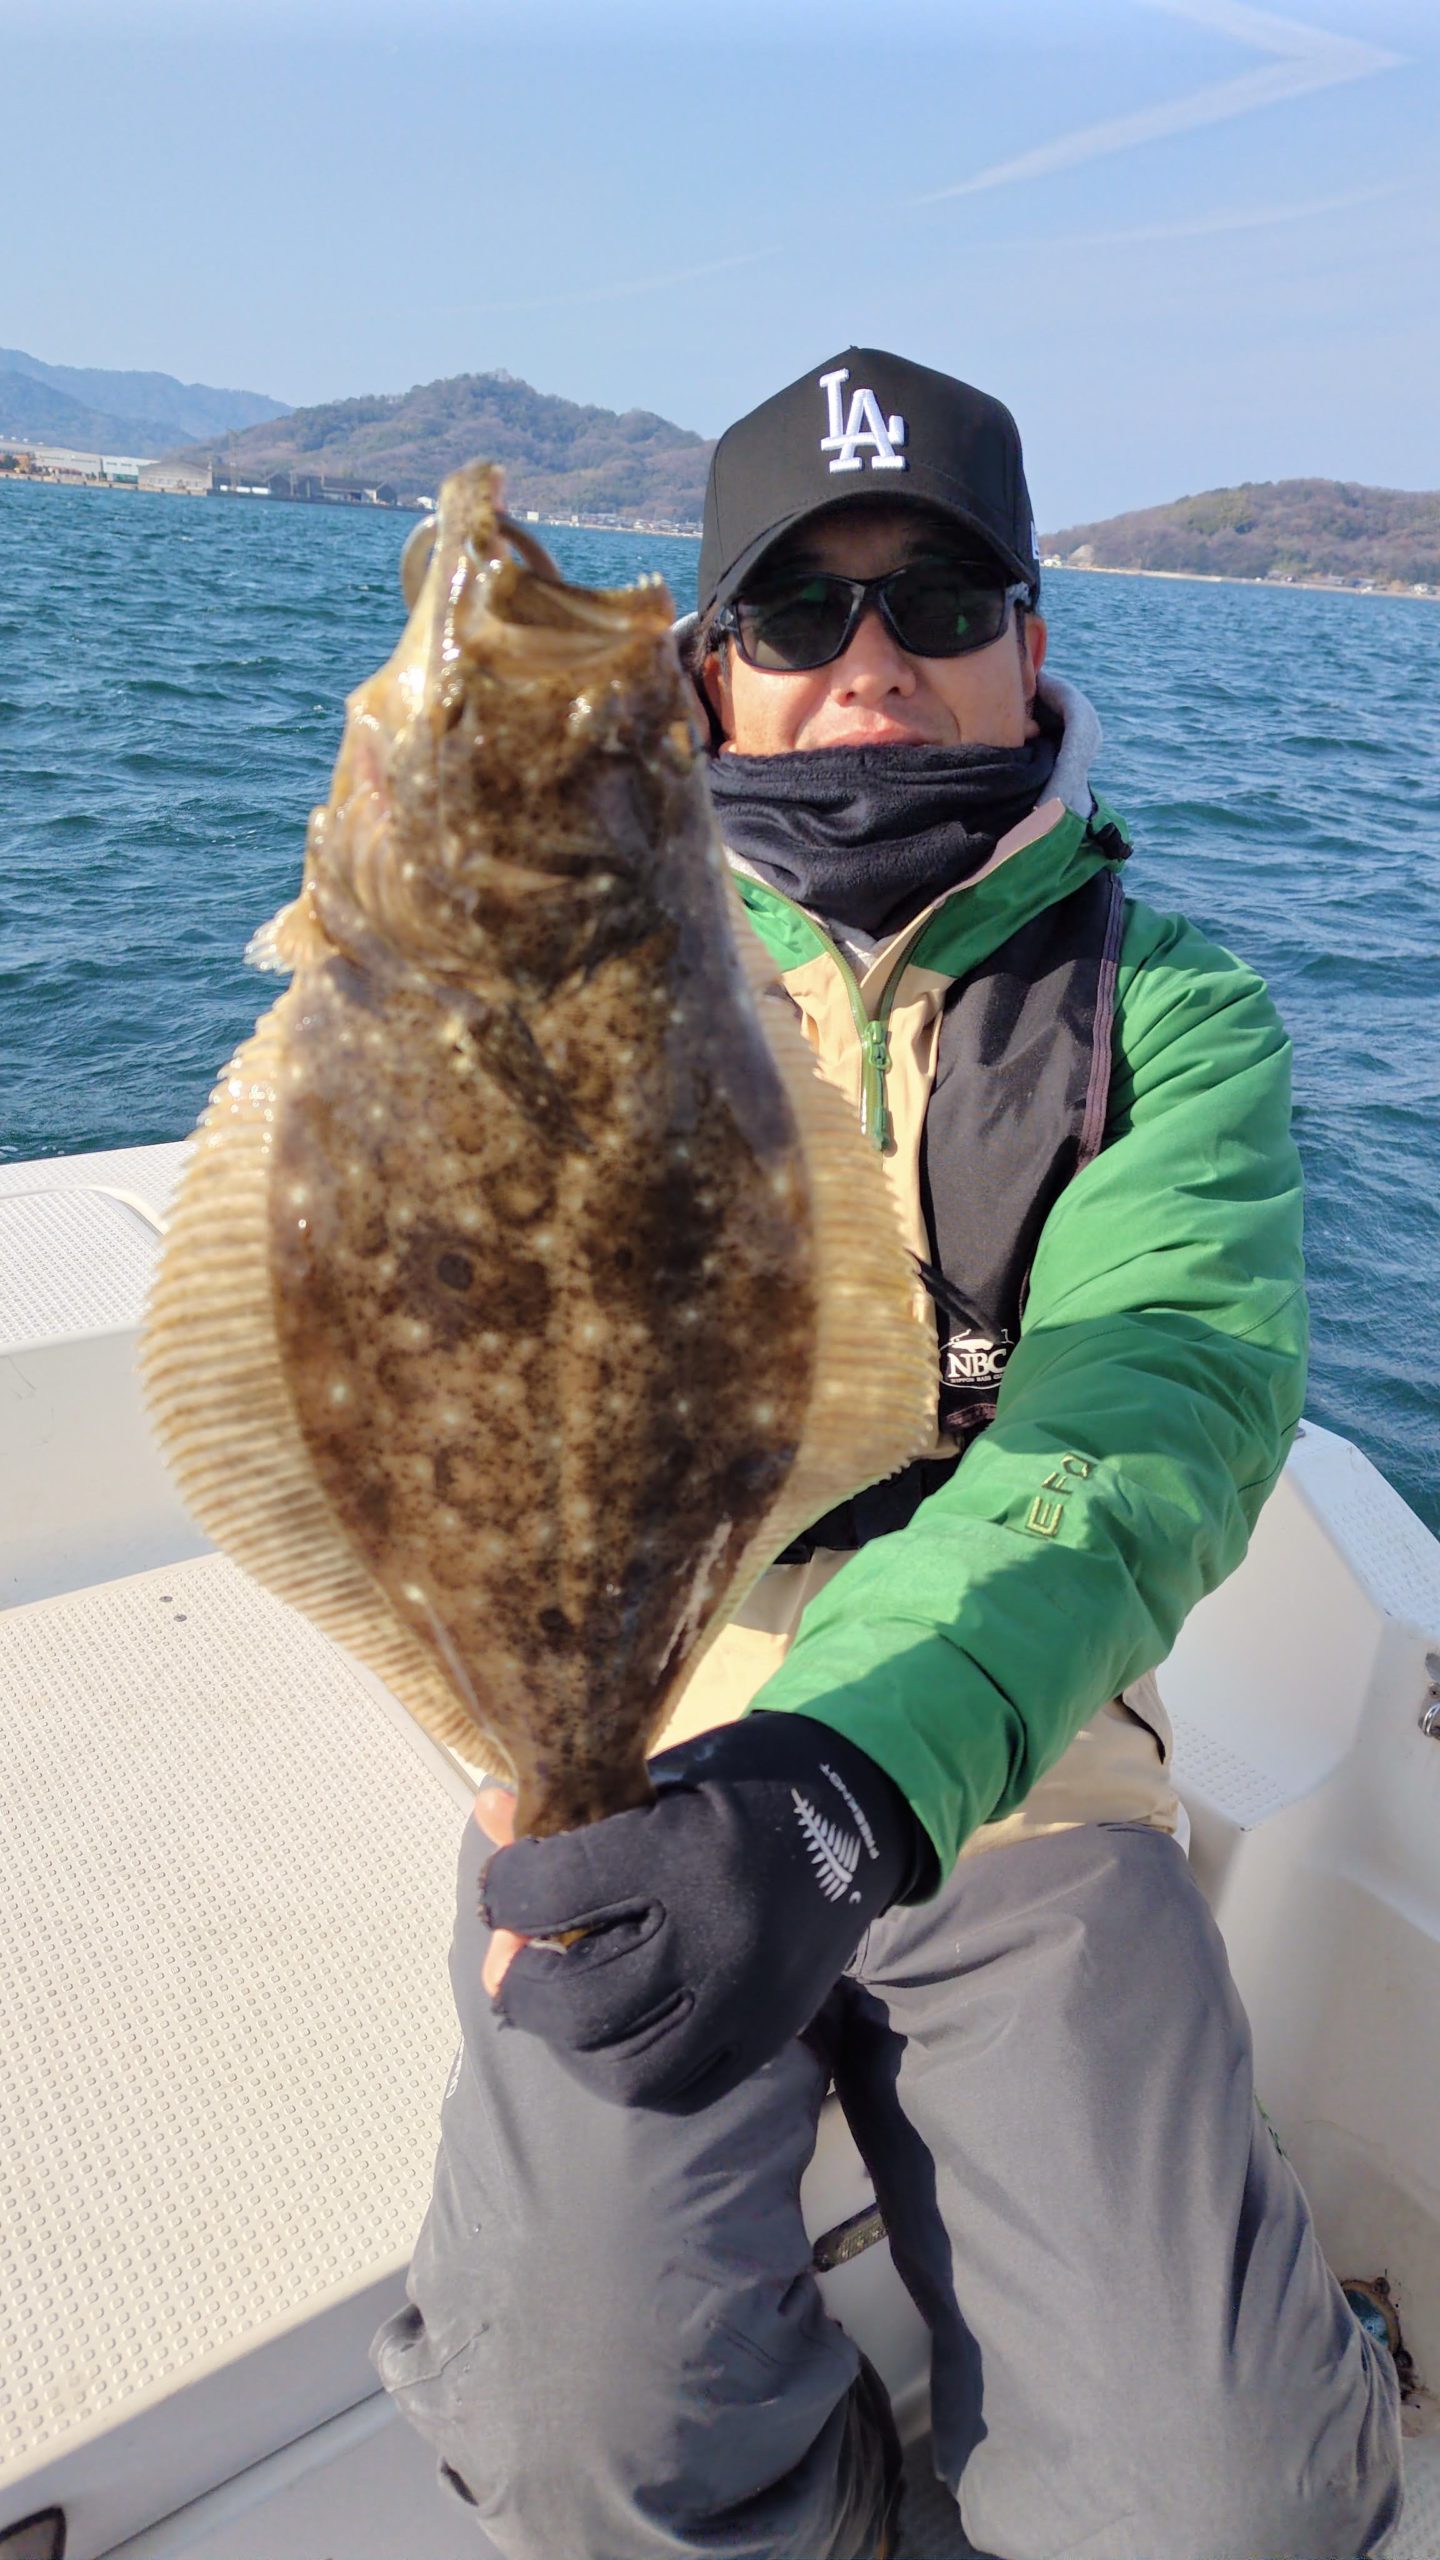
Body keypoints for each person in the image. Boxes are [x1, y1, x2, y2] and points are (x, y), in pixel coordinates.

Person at [373, 350, 1403, 2560]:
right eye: (793, 614)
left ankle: (1310, 2385)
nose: (870, 664)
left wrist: (851, 1774)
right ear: (702, 674)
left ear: (1033, 639)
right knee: (568, 2430)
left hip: (1011, 1758)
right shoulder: (578, 951)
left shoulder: (1167, 1005)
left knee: (1228, 2513)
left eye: (937, 599)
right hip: (628, 1731)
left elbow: (1155, 1408)